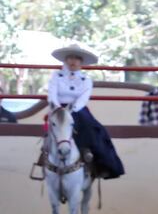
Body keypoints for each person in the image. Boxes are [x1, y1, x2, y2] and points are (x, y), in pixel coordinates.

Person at [42, 42, 125, 179]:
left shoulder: (86, 79)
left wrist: (71, 110)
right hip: (57, 109)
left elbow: (83, 98)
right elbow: (52, 94)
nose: (73, 61)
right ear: (66, 60)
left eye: (77, 58)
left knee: (94, 129)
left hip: (77, 109)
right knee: (55, 128)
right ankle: (44, 157)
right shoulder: (56, 76)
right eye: (70, 58)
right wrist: (58, 108)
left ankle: (95, 160)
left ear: (81, 62)